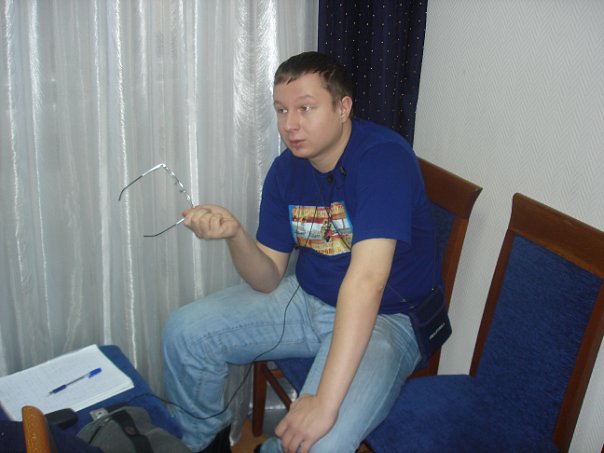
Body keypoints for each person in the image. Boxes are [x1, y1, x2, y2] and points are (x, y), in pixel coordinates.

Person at [163, 51, 438, 453]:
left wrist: (324, 403)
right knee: (185, 332)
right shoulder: (286, 170)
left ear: (343, 108)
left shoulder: (384, 159)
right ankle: (202, 444)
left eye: (305, 108)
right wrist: (235, 235)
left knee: (317, 443)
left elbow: (367, 283)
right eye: (281, 110)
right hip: (308, 298)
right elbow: (267, 278)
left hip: (387, 317)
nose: (289, 125)